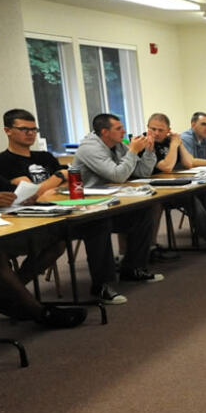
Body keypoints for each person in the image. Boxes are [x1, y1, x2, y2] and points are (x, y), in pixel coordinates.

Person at [0, 119, 87, 328]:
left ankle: (8, 296)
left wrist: (21, 196)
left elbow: (5, 187)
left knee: (56, 241)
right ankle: (40, 312)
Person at [0, 109, 125, 304]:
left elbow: (64, 186)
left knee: (98, 222)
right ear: (7, 131)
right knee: (55, 243)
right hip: (29, 219)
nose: (30, 133)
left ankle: (101, 285)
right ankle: (13, 290)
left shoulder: (45, 156)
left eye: (33, 129)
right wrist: (58, 177)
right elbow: (30, 192)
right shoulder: (2, 161)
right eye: (24, 129)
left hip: (61, 211)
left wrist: (49, 187)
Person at [70, 113, 164, 284]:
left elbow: (142, 172)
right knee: (101, 225)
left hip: (111, 201)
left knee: (144, 213)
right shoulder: (90, 148)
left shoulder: (118, 145)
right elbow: (118, 176)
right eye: (119, 128)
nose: (124, 131)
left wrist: (149, 151)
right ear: (105, 132)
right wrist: (134, 150)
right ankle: (104, 284)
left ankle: (133, 269)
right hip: (88, 208)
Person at [146, 113, 206, 253]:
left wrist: (178, 143)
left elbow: (188, 162)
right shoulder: (146, 142)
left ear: (168, 130)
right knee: (191, 199)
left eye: (160, 130)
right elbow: (166, 167)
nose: (155, 133)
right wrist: (174, 145)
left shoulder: (171, 140)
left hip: (176, 184)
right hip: (157, 190)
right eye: (152, 129)